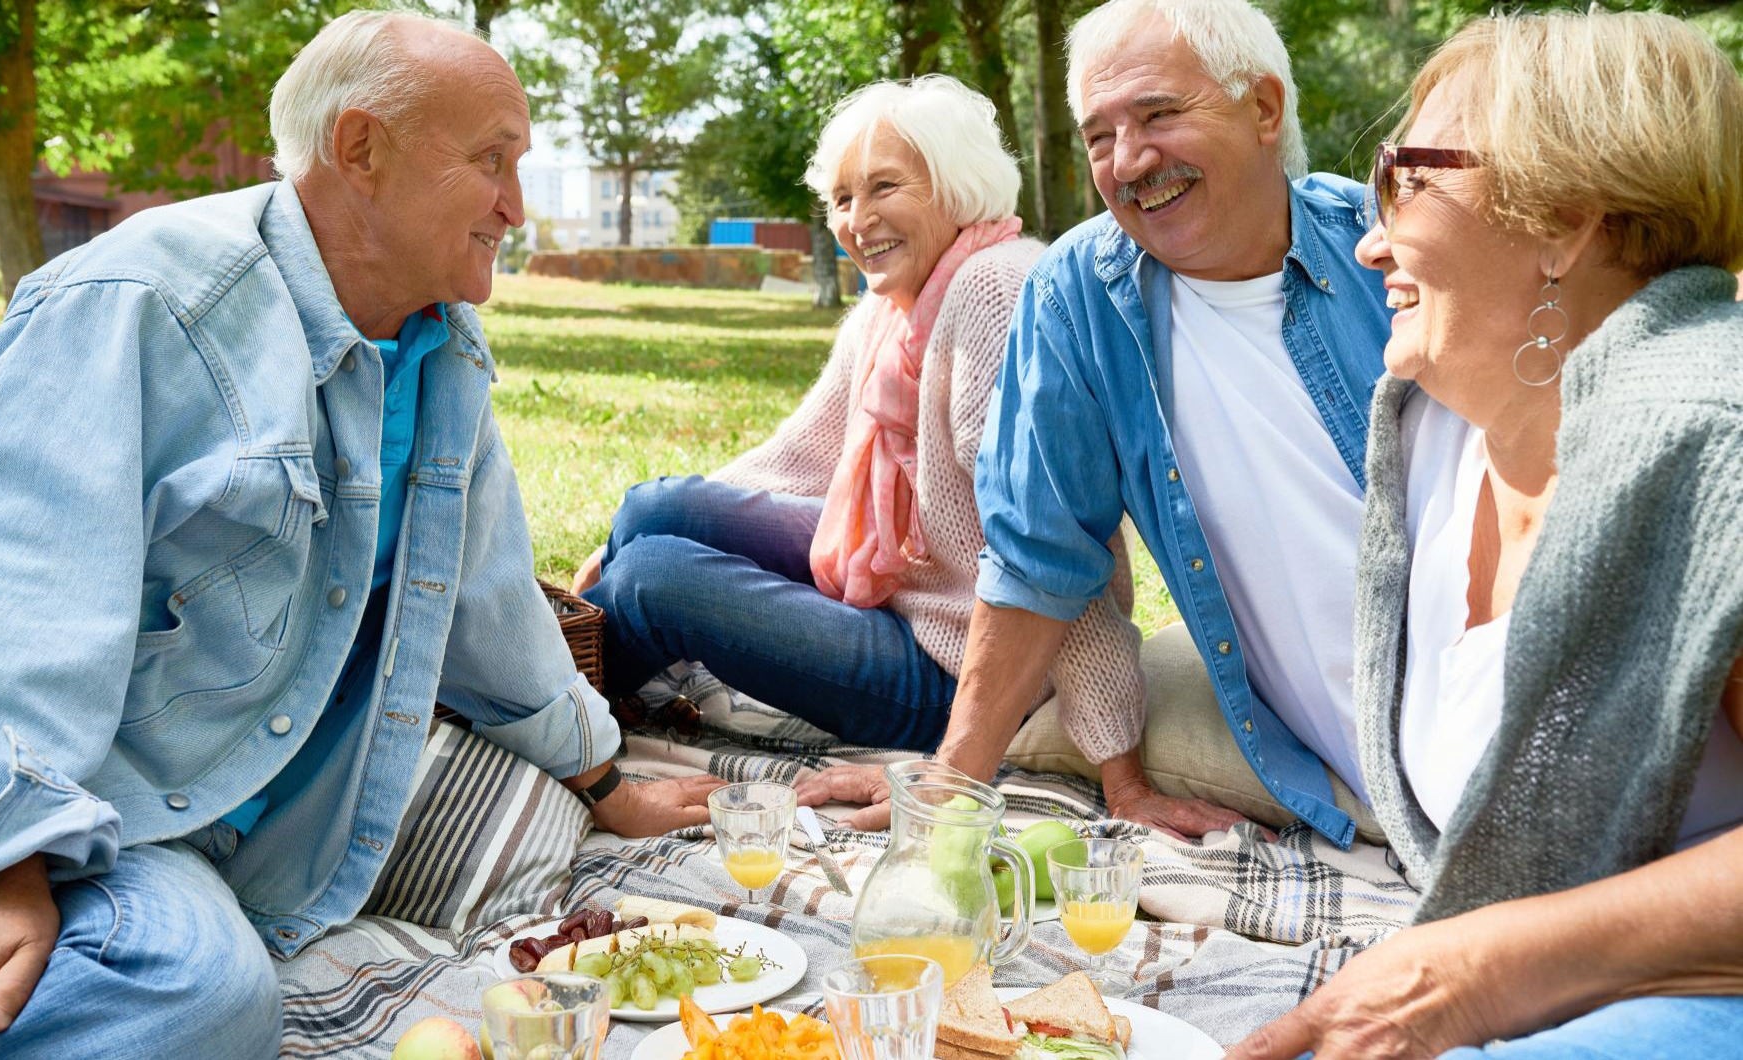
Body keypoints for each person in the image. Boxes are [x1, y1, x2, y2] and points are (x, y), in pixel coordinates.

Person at [0, 13, 718, 1058]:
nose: (515, 207)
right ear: (362, 149)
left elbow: (490, 608)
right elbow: (5, 590)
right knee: (198, 997)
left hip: (260, 850)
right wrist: (2, 858)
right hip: (100, 818)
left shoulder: (442, 350)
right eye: (492, 161)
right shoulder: (141, 302)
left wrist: (607, 782)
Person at [1231, 11, 1743, 1058]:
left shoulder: (1712, 443)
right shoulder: (1431, 441)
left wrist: (1474, 971)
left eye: (1404, 178)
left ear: (1563, 219)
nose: (1370, 238)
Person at [802, 0, 1393, 840]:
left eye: (1158, 115)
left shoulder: (1390, 244)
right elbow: (1040, 558)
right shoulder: (1080, 295)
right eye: (1100, 135)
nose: (1131, 160)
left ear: (1263, 108)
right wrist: (951, 783)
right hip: (1381, 748)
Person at [574, 76, 1146, 756]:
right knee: (651, 511)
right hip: (907, 577)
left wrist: (1115, 751)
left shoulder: (997, 291)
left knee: (651, 581)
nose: (855, 220)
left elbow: (1050, 546)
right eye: (843, 198)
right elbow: (800, 459)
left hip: (961, 673)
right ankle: (584, 672)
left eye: (884, 189)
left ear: (955, 184)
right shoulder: (894, 306)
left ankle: (550, 713)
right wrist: (624, 536)